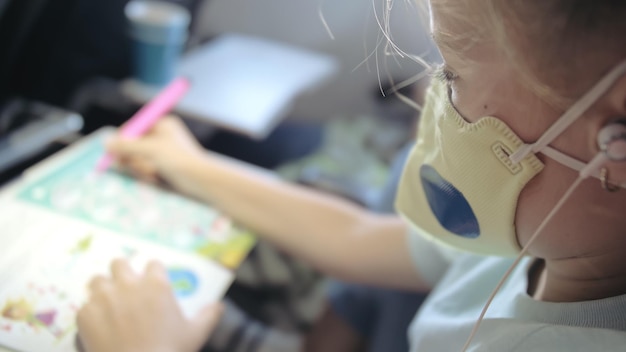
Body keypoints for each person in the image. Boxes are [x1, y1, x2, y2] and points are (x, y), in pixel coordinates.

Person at [77, 1, 626, 351]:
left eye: (454, 73)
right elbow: (358, 238)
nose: (433, 101)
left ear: (616, 145)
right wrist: (193, 165)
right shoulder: (534, 234)